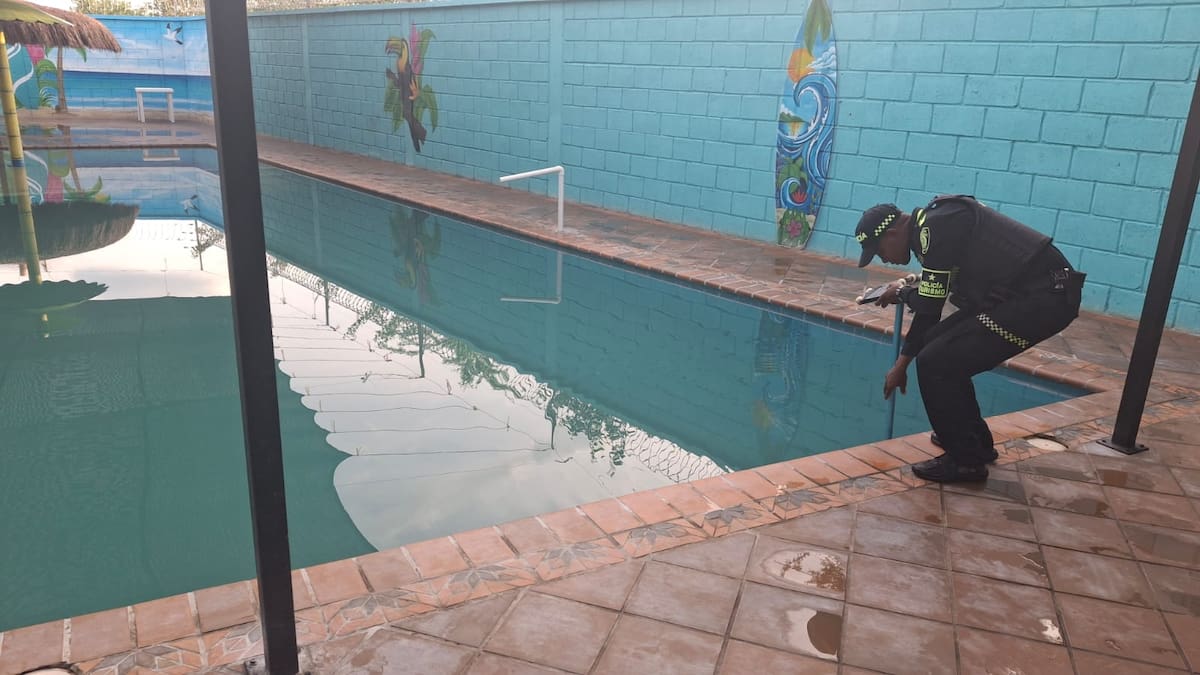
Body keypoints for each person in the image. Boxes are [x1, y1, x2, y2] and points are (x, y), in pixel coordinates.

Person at [855, 195, 1085, 482]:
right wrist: (902, 363)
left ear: (892, 233)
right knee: (938, 344)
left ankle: (966, 462)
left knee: (936, 362)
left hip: (1043, 298)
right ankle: (973, 442)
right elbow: (930, 309)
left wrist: (901, 296)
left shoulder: (935, 228)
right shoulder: (933, 226)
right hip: (1031, 296)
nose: (884, 259)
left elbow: (929, 305)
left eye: (879, 251)